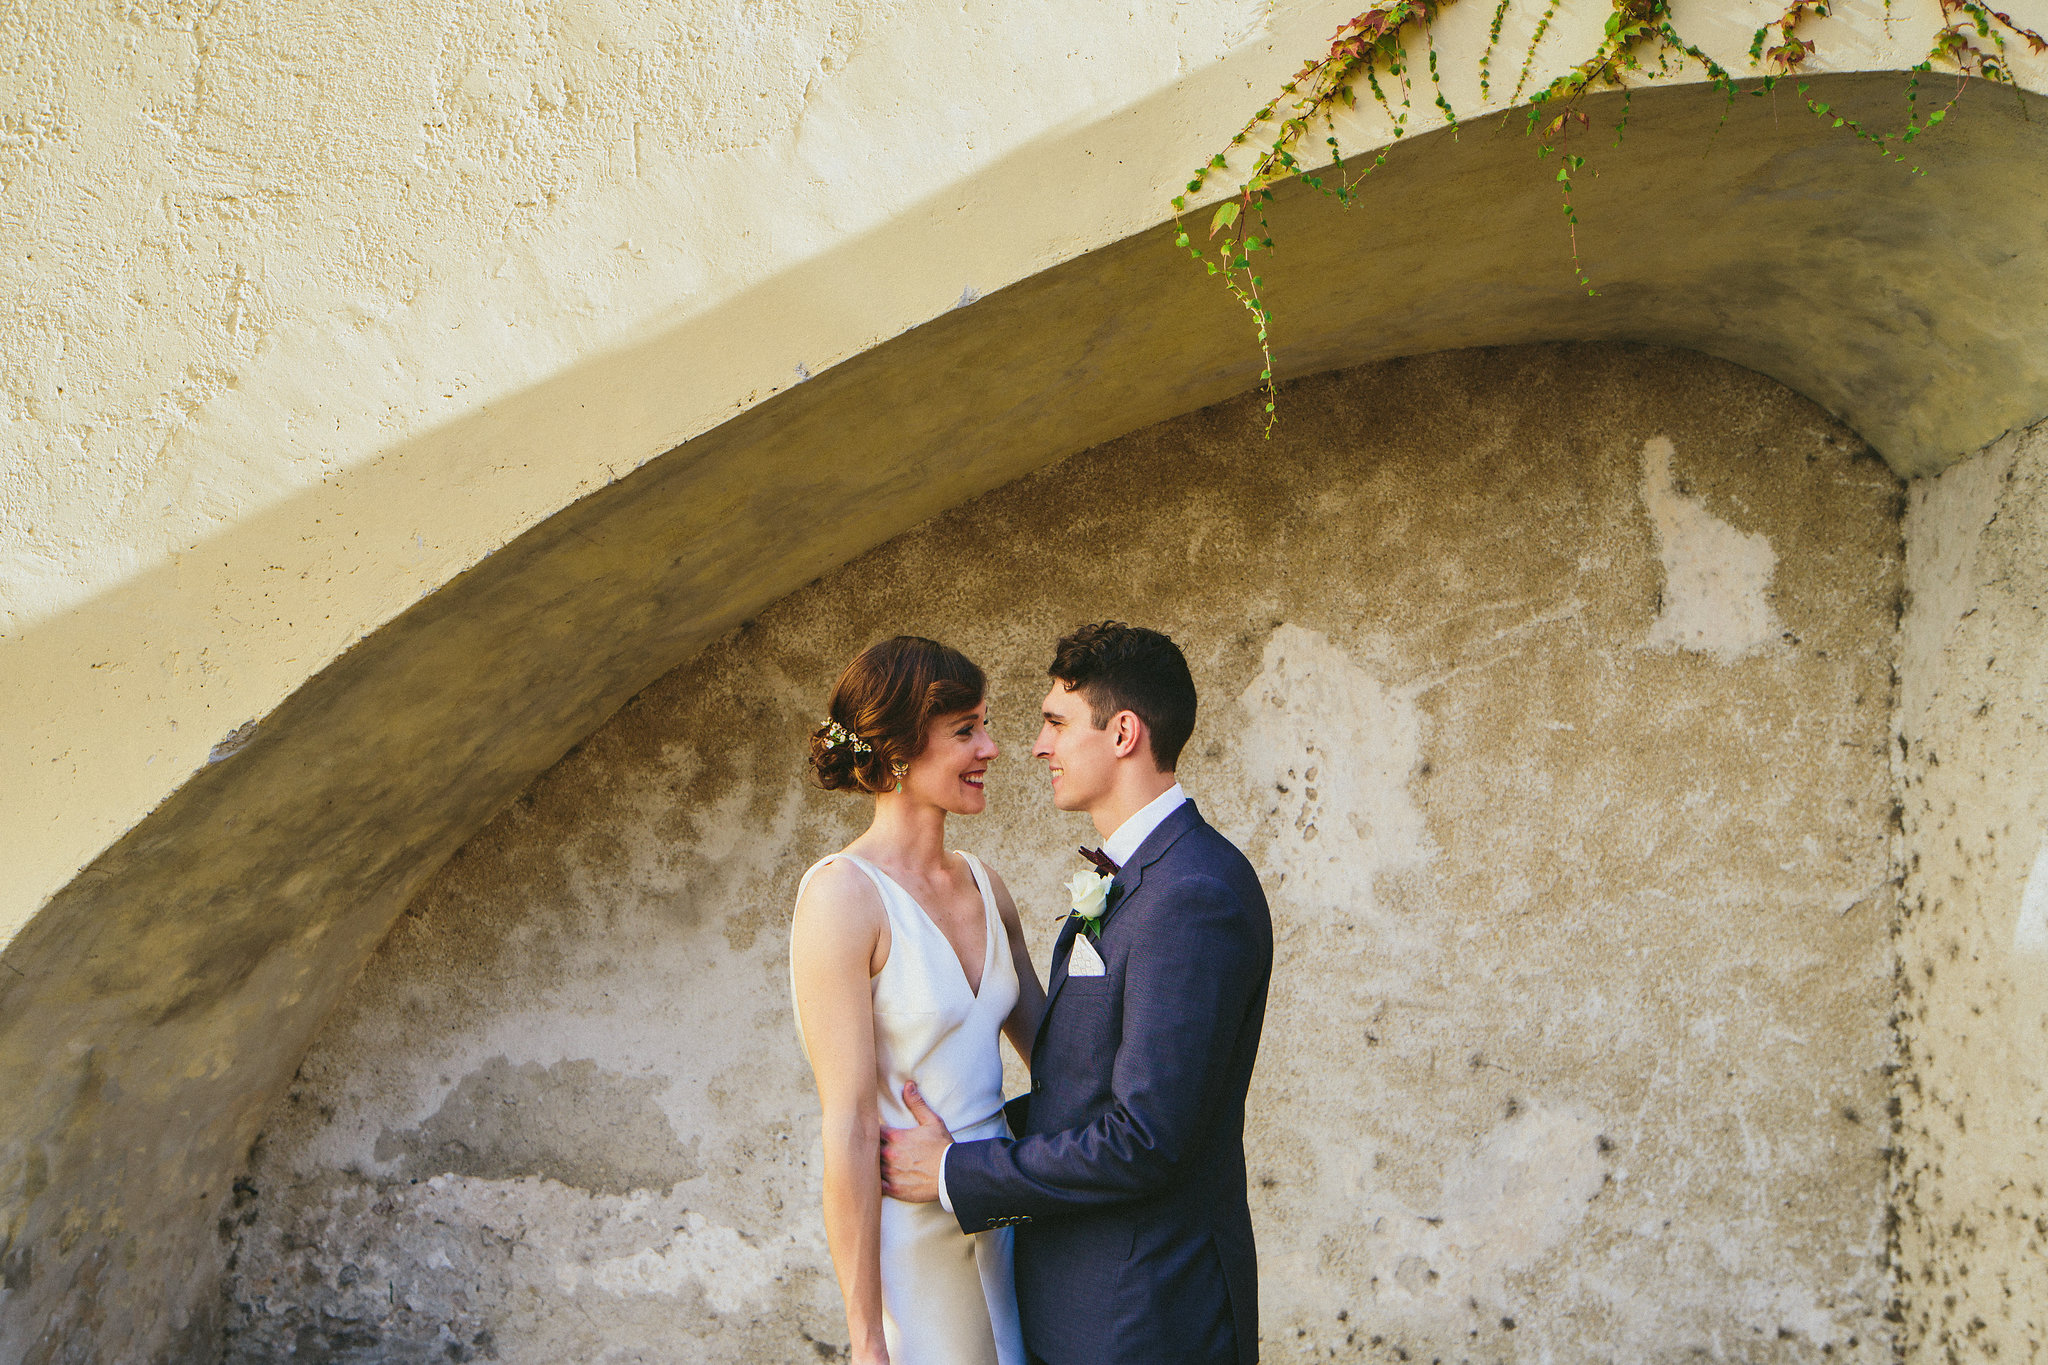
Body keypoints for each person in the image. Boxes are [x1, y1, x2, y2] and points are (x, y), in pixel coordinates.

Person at [881, 622, 1274, 1365]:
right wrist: (963, 1132)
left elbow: (1145, 1139)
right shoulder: (1138, 877)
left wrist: (954, 1171)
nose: (1036, 746)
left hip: (1147, 1319)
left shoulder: (1192, 893)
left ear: (1123, 733)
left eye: (1056, 723)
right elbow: (1082, 1089)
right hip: (1085, 1308)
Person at [789, 635, 1045, 1365]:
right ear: (900, 750)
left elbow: (1063, 1059)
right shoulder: (843, 896)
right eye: (966, 730)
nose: (991, 748)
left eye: (985, 725)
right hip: (915, 1241)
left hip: (1010, 1216)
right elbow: (847, 1126)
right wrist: (866, 1338)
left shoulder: (987, 885)